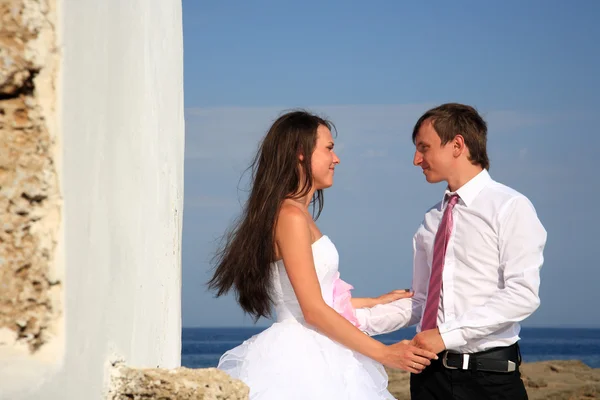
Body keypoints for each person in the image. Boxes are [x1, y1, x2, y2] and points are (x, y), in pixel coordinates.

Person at [207, 110, 438, 399]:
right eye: (329, 148)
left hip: (315, 345)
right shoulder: (290, 216)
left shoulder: (295, 214)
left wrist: (373, 301)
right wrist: (386, 354)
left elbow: (309, 293)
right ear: (301, 153)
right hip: (302, 355)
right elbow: (312, 310)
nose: (336, 158)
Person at [354, 103, 547, 399]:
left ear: (457, 145)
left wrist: (445, 336)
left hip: (489, 381)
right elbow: (422, 302)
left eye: (424, 147)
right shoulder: (432, 220)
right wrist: (352, 321)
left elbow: (522, 294)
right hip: (428, 379)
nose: (416, 159)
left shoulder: (510, 207)